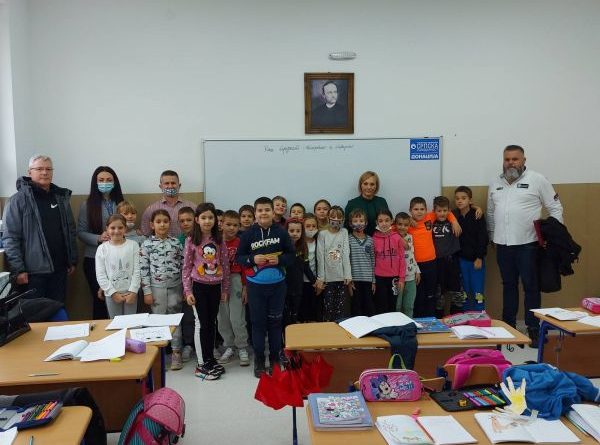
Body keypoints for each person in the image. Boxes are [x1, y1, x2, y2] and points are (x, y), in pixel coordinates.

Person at [487, 145, 563, 345]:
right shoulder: (495, 182)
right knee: (508, 285)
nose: (511, 163)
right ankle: (509, 328)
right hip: (503, 245)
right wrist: (492, 236)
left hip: (528, 245)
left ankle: (533, 329)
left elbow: (555, 207)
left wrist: (555, 236)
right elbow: (491, 212)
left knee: (531, 287)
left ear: (524, 160)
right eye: (507, 159)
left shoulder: (537, 179)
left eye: (515, 159)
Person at [2, 154, 77, 303]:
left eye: (48, 169)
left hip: (59, 270)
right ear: (30, 172)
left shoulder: (60, 198)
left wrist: (71, 260)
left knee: (57, 310)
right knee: (36, 314)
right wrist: (19, 270)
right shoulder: (17, 201)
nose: (44, 172)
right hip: (32, 273)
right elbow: (11, 238)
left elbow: (70, 230)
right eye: (39, 169)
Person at [236, 197, 295, 378]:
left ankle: (275, 358)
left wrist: (280, 259)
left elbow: (291, 255)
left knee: (276, 323)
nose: (264, 213)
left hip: (278, 286)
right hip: (255, 288)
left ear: (272, 211)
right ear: (255, 213)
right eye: (260, 210)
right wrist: (252, 259)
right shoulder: (248, 234)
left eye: (267, 210)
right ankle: (259, 360)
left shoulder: (282, 232)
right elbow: (239, 257)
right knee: (258, 323)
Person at [183, 203, 229, 380]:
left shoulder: (219, 239)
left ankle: (210, 359)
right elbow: (186, 267)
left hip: (215, 287)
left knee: (212, 323)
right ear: (197, 219)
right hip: (198, 287)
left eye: (210, 217)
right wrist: (188, 291)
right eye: (203, 217)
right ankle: (201, 364)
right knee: (201, 324)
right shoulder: (191, 240)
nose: (207, 221)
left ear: (215, 220)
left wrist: (225, 289)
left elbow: (224, 265)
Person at [78, 166, 125, 319]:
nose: (105, 183)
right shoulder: (87, 205)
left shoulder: (121, 203)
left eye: (109, 180)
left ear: (115, 182)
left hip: (120, 259)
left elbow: (128, 225)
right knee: (101, 299)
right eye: (101, 180)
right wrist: (98, 238)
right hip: (94, 258)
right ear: (95, 182)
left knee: (120, 299)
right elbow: (81, 232)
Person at [140, 209, 184, 370]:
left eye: (165, 221)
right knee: (158, 321)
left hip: (175, 286)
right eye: (158, 222)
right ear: (152, 225)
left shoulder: (176, 243)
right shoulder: (146, 244)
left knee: (174, 319)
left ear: (170, 224)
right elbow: (143, 269)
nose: (162, 225)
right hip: (156, 289)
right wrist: (147, 291)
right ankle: (158, 355)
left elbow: (183, 266)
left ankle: (176, 352)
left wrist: (185, 288)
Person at [408, 196, 460, 317]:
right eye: (416, 209)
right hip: (415, 266)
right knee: (419, 295)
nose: (419, 212)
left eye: (422, 209)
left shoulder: (430, 217)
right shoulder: (407, 223)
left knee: (431, 294)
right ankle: (419, 319)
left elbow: (447, 212)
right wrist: (408, 218)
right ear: (410, 210)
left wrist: (454, 221)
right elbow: (394, 226)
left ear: (427, 210)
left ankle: (431, 319)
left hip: (431, 263)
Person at [217, 210, 250, 367]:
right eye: (228, 224)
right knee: (222, 318)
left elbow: (245, 267)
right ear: (221, 224)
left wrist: (245, 286)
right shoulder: (215, 242)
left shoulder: (241, 243)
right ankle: (229, 346)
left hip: (236, 279)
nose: (231, 228)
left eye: (235, 225)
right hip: (218, 281)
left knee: (237, 317)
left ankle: (242, 346)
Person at [95, 214, 141, 318]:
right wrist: (112, 293)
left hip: (131, 294)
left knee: (131, 322)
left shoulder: (133, 245)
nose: (116, 231)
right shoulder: (102, 249)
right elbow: (101, 275)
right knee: (115, 322)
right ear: (107, 229)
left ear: (125, 229)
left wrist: (133, 291)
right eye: (112, 228)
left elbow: (137, 270)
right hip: (112, 295)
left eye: (120, 228)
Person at [453, 186, 488, 311]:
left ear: (470, 200)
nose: (460, 201)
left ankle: (480, 314)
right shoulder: (454, 215)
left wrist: (479, 257)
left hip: (476, 260)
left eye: (463, 198)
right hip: (461, 260)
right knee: (465, 291)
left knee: (478, 291)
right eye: (457, 198)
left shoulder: (477, 215)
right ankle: (466, 315)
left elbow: (483, 238)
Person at [315, 206, 352, 322]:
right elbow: (320, 256)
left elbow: (346, 254)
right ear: (328, 218)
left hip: (342, 278)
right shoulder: (322, 234)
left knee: (342, 309)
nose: (336, 219)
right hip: (328, 278)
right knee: (329, 308)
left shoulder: (344, 232)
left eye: (339, 217)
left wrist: (348, 275)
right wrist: (321, 278)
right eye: (333, 216)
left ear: (343, 219)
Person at [431, 196, 464, 317]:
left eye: (445, 210)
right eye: (439, 211)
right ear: (434, 211)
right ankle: (439, 318)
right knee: (439, 292)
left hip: (452, 260)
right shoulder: (430, 222)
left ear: (449, 210)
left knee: (457, 290)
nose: (442, 213)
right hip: (437, 262)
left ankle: (457, 318)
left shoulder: (454, 220)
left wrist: (454, 220)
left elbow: (469, 207)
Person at [141, 170, 196, 237]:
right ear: (161, 187)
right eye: (166, 183)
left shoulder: (192, 207)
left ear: (179, 186)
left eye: (173, 183)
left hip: (187, 243)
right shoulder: (151, 210)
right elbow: (146, 233)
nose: (170, 186)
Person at [372, 209, 405, 314]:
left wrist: (402, 279)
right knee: (381, 305)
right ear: (377, 222)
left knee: (392, 305)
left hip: (394, 278)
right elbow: (372, 260)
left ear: (392, 221)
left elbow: (402, 259)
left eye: (387, 220)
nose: (384, 223)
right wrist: (373, 280)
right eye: (380, 221)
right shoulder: (373, 239)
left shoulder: (397, 238)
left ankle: (392, 323)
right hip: (379, 277)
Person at [176, 206, 196, 363]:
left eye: (189, 220)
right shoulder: (178, 241)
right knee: (188, 315)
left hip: (203, 281)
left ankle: (209, 344)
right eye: (182, 221)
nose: (186, 223)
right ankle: (188, 344)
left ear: (195, 220)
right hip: (186, 283)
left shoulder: (202, 238)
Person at [347, 209, 375, 316]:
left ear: (366, 223)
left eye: (361, 221)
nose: (358, 223)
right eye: (355, 221)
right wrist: (349, 280)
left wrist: (373, 281)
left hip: (368, 280)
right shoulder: (348, 239)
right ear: (350, 223)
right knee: (356, 308)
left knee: (369, 307)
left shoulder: (370, 240)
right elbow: (346, 260)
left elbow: (373, 260)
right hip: (354, 280)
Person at [345, 171, 390, 236]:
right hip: (357, 241)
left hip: (380, 239)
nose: (369, 187)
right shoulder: (351, 204)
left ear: (376, 186)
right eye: (365, 184)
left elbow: (388, 223)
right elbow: (346, 229)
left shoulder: (382, 202)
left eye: (372, 184)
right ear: (361, 185)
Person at [284, 218, 309, 327]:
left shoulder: (303, 247)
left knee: (295, 313)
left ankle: (293, 334)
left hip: (298, 286)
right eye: (291, 231)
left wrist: (315, 281)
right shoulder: (282, 247)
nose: (295, 234)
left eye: (298, 231)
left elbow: (306, 267)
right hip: (284, 286)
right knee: (285, 314)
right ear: (286, 231)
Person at [395, 212, 420, 317]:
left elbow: (412, 256)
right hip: (398, 278)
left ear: (409, 225)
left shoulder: (410, 237)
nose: (402, 227)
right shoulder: (393, 237)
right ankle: (398, 324)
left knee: (409, 306)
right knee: (397, 306)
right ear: (395, 224)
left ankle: (409, 323)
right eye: (400, 224)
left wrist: (417, 271)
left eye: (405, 225)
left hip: (411, 277)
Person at [300, 213, 320, 321]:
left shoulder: (319, 242)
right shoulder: (299, 244)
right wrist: (314, 281)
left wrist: (318, 280)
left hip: (317, 281)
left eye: (314, 226)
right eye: (307, 226)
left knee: (314, 310)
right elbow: (304, 265)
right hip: (303, 281)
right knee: (303, 309)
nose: (311, 229)